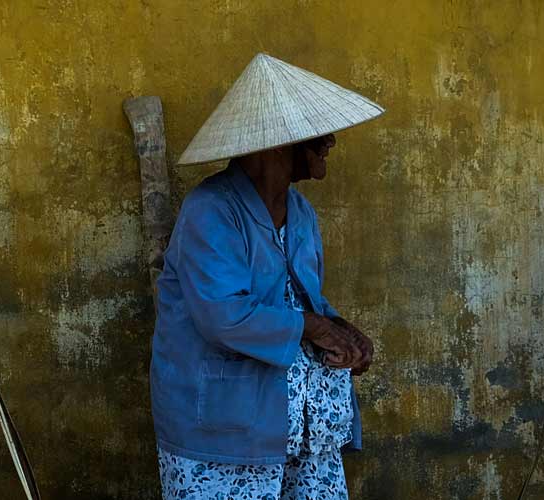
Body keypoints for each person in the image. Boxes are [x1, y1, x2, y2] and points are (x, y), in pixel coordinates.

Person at [152, 53, 380, 500]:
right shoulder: (211, 210)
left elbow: (304, 298)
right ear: (279, 142)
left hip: (303, 432)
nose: (330, 141)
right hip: (227, 433)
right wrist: (315, 328)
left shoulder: (299, 211)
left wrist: (345, 333)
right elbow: (224, 316)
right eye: (318, 135)